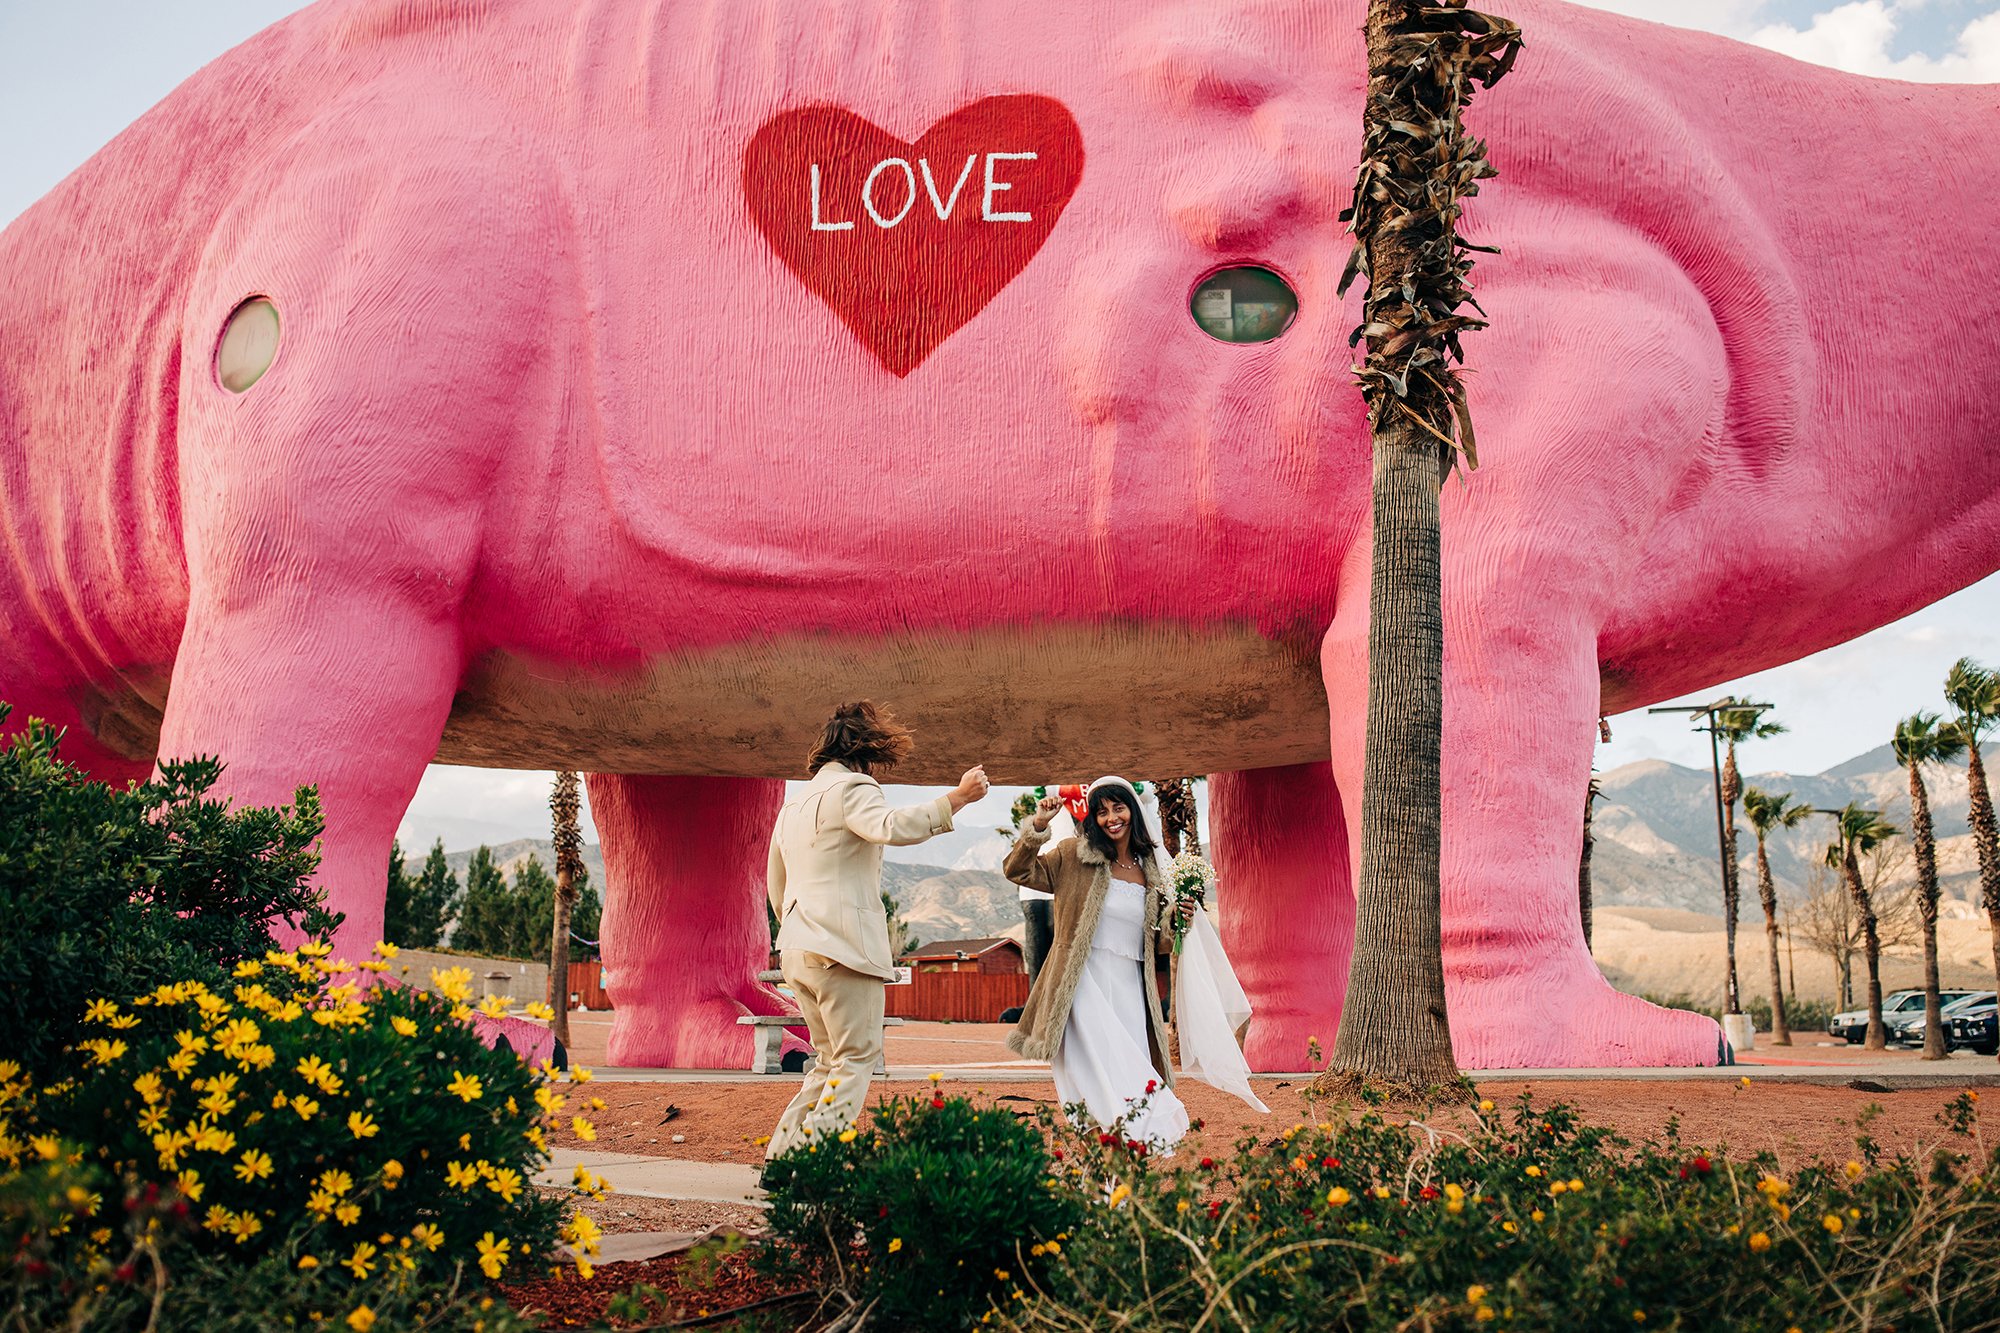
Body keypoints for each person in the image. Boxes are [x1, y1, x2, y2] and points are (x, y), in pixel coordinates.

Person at [764, 701, 987, 1159]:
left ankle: (782, 1156)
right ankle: (812, 1161)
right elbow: (890, 826)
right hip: (842, 950)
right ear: (864, 753)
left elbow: (776, 883)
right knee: (856, 1059)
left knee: (827, 1061)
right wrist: (958, 798)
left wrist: (798, 929)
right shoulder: (853, 788)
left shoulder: (791, 806)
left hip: (797, 948)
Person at [1004, 777, 1193, 1149]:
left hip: (1130, 994)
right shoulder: (1073, 854)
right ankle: (1103, 1183)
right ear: (1093, 817)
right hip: (1080, 988)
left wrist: (1178, 918)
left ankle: (1118, 1184)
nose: (1111, 818)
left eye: (1118, 808)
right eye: (1101, 811)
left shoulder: (1151, 870)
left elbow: (1158, 942)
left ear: (1132, 811)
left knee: (1133, 1086)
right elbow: (1018, 871)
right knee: (1091, 1087)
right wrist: (1038, 828)